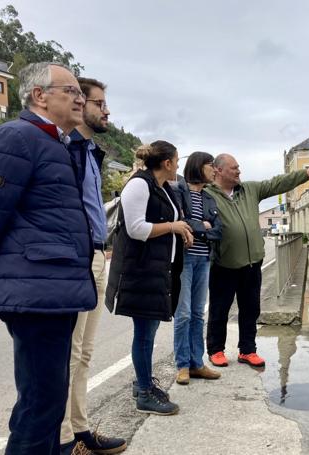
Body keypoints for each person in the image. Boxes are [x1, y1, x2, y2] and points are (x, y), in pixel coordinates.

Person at [0, 62, 96, 455]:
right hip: (37, 287)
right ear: (40, 95)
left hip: (53, 287)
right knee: (39, 402)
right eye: (71, 91)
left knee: (48, 400)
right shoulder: (16, 138)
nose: (80, 99)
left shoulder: (56, 144)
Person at [59, 77, 126, 455]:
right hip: (79, 257)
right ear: (79, 103)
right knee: (69, 353)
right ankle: (65, 437)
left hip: (99, 255)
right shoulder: (65, 149)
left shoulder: (90, 152)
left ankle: (81, 429)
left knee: (84, 352)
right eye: (98, 102)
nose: (106, 110)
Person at [104, 141, 193, 415]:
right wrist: (174, 227)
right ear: (166, 163)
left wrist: (182, 230)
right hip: (139, 272)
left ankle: (143, 383)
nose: (179, 165)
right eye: (177, 160)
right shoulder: (139, 184)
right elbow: (136, 228)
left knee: (149, 332)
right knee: (144, 335)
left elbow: (174, 220)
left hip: (157, 272)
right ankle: (144, 392)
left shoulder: (163, 187)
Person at [204, 154, 309, 368]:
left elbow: (275, 183)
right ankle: (216, 350)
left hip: (252, 264)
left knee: (250, 309)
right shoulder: (207, 195)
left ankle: (247, 350)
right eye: (234, 168)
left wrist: (302, 175)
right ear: (218, 171)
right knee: (219, 309)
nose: (239, 171)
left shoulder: (249, 189)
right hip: (223, 265)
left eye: (239, 167)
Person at [172, 152, 223, 385]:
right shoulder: (177, 192)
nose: (215, 170)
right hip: (183, 261)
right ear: (198, 167)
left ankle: (197, 363)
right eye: (211, 166)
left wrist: (197, 228)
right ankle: (182, 365)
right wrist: (201, 225)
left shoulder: (210, 198)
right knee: (182, 314)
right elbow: (178, 223)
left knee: (197, 314)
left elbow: (218, 230)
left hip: (204, 260)